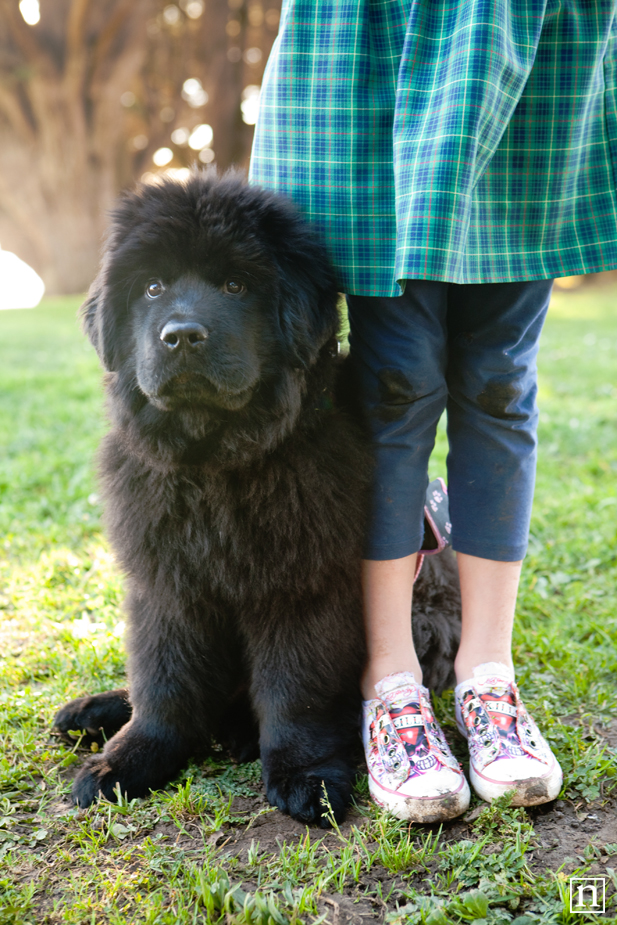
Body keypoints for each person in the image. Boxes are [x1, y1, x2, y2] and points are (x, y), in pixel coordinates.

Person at [249, 1, 617, 821]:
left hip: (524, 40)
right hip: (378, 43)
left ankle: (488, 676)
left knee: (497, 381)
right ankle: (391, 684)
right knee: (393, 384)